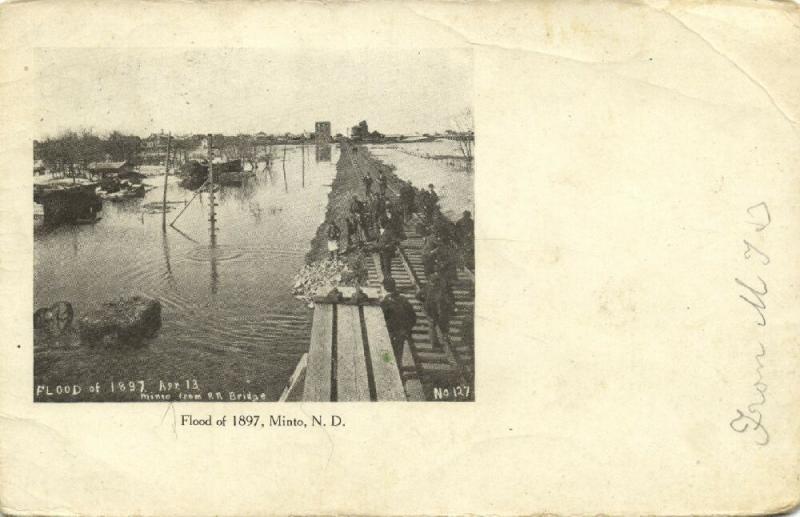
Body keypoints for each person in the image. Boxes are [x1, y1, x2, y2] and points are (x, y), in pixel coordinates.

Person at [380, 277, 417, 365]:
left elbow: (382, 317)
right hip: (401, 332)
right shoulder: (404, 300)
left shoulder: (386, 301)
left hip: (390, 331)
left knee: (386, 350)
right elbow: (413, 317)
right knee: (398, 353)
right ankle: (398, 369)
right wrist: (407, 329)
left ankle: (388, 367)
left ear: (386, 288)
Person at [416, 272, 455, 351]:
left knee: (432, 326)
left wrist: (424, 301)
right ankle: (443, 341)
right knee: (441, 325)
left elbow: (417, 296)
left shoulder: (427, 286)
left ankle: (434, 343)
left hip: (429, 309)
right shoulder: (440, 289)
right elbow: (447, 300)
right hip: (436, 310)